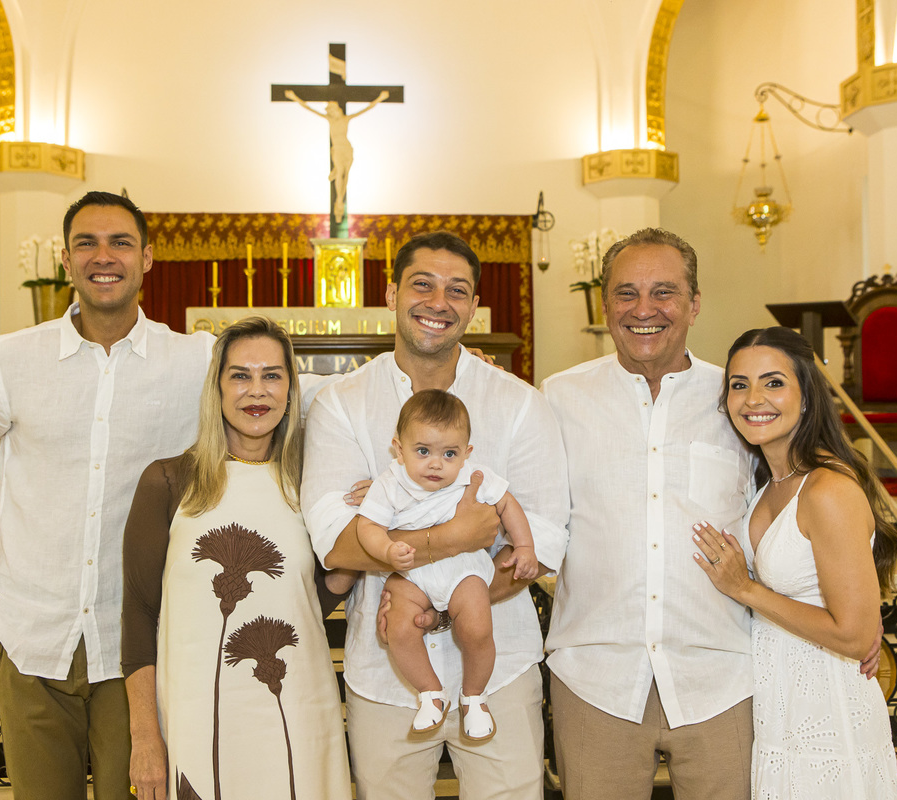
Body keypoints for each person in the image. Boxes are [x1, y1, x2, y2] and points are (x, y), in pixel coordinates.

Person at [0, 191, 215, 799]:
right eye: (87, 243)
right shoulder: (10, 360)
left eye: (120, 243)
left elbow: (294, 398)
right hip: (33, 628)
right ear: (65, 259)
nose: (103, 257)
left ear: (147, 258)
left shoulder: (195, 362)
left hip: (139, 642)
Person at [301, 230, 569, 800]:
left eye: (457, 290)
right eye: (422, 284)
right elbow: (336, 542)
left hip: (501, 666)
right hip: (386, 674)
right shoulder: (341, 403)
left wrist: (446, 607)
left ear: (474, 306)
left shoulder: (519, 403)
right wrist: (459, 536)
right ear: (391, 293)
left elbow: (543, 540)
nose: (438, 302)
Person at [541, 227, 759, 800]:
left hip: (721, 674)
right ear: (605, 304)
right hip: (596, 676)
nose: (644, 310)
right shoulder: (559, 398)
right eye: (626, 293)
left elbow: (794, 503)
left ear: (694, 303)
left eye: (664, 292)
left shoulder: (739, 399)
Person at [121, 316, 353, 800]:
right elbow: (138, 616)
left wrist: (361, 538)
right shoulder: (168, 481)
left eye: (272, 375)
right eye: (240, 375)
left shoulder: (311, 484)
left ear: (290, 390)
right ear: (218, 388)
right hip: (198, 715)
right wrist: (144, 737)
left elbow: (307, 603)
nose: (257, 391)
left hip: (296, 710)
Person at [691, 326, 897, 798]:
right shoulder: (769, 481)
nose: (753, 399)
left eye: (774, 382)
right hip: (779, 708)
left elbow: (854, 636)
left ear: (807, 396)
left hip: (828, 714)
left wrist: (745, 588)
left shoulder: (827, 489)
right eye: (739, 385)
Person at [356, 389, 538, 741]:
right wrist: (387, 550)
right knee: (398, 628)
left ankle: (474, 696)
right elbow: (368, 526)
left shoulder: (474, 476)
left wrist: (525, 546)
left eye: (449, 453)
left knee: (477, 627)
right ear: (399, 449)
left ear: (466, 453)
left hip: (462, 568)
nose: (436, 463)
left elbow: (507, 504)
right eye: (423, 451)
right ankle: (430, 693)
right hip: (410, 572)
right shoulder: (389, 482)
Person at [284, 89, 390, 222]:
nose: (333, 111)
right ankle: (339, 201)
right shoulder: (330, 120)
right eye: (331, 110)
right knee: (340, 173)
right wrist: (294, 97)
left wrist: (380, 98)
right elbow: (309, 108)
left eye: (333, 109)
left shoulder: (346, 119)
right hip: (338, 149)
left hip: (347, 149)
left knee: (346, 175)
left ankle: (339, 196)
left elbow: (366, 109)